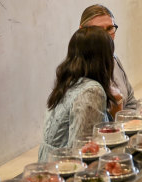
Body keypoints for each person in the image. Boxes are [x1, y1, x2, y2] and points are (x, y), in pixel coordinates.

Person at [38, 27, 117, 161]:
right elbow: (84, 150)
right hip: (64, 171)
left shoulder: (69, 81)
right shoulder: (91, 91)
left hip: (49, 164)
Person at [80, 5, 136, 114]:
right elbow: (93, 126)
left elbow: (131, 102)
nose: (106, 36)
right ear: (82, 31)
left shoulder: (114, 58)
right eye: (99, 30)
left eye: (110, 28)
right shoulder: (79, 68)